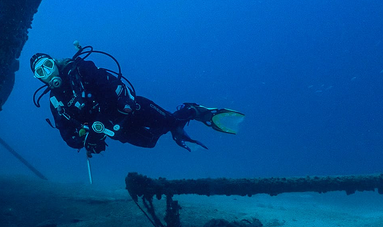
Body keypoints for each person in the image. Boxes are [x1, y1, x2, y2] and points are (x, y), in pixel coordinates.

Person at [31, 44, 245, 156]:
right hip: (117, 130)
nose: (47, 73)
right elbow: (66, 134)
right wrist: (88, 141)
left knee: (169, 122)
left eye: (48, 65)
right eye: (41, 71)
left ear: (54, 63)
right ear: (38, 78)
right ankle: (177, 125)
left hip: (131, 108)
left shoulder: (82, 70)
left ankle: (193, 111)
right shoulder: (56, 102)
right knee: (150, 142)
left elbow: (108, 91)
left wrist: (101, 122)